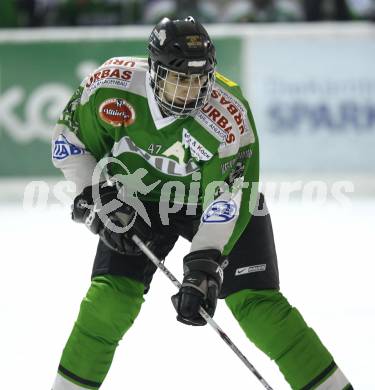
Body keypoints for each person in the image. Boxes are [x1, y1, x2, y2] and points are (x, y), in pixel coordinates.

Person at [51, 16, 352, 390]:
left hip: (214, 199)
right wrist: (95, 196)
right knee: (109, 301)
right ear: (154, 72)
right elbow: (70, 139)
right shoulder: (111, 86)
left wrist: (205, 265)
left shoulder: (228, 115)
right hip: (141, 197)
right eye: (179, 79)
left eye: (198, 80)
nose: (191, 91)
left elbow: (229, 196)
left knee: (259, 307)